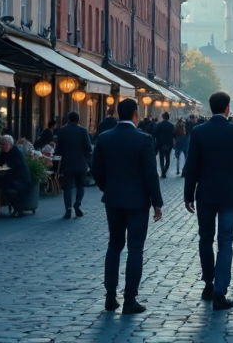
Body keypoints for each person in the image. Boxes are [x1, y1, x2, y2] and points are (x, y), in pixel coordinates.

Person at [91, 98, 163, 315]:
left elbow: (96, 170)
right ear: (135, 114)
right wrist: (157, 203)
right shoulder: (144, 139)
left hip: (113, 200)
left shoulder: (104, 138)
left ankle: (110, 296)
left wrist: (108, 188)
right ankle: (129, 299)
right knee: (135, 248)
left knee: (114, 245)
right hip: (138, 202)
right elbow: (151, 173)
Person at [184, 91, 233, 311]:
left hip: (204, 193)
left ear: (210, 107)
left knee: (205, 239)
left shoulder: (198, 132)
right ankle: (220, 293)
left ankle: (208, 284)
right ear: (227, 108)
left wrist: (188, 195)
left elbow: (191, 166)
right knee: (225, 243)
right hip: (229, 195)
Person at [56, 111, 93, 219]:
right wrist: (87, 160)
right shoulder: (83, 131)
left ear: (68, 119)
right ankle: (77, 203)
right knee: (80, 186)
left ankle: (68, 209)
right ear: (78, 119)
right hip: (80, 163)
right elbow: (88, 148)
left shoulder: (62, 131)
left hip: (67, 164)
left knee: (67, 188)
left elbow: (58, 150)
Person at [0, 134, 34, 217]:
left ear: (9, 144)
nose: (2, 147)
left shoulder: (15, 152)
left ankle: (18, 209)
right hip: (13, 179)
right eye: (1, 145)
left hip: (22, 180)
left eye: (4, 144)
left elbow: (15, 167)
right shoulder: (4, 152)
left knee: (5, 188)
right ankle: (14, 209)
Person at [153, 112, 176, 178]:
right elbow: (173, 135)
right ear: (168, 118)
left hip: (160, 143)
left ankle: (162, 169)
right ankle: (165, 170)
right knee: (168, 158)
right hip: (169, 144)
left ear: (163, 117)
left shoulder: (159, 125)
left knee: (161, 158)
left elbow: (155, 133)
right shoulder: (171, 126)